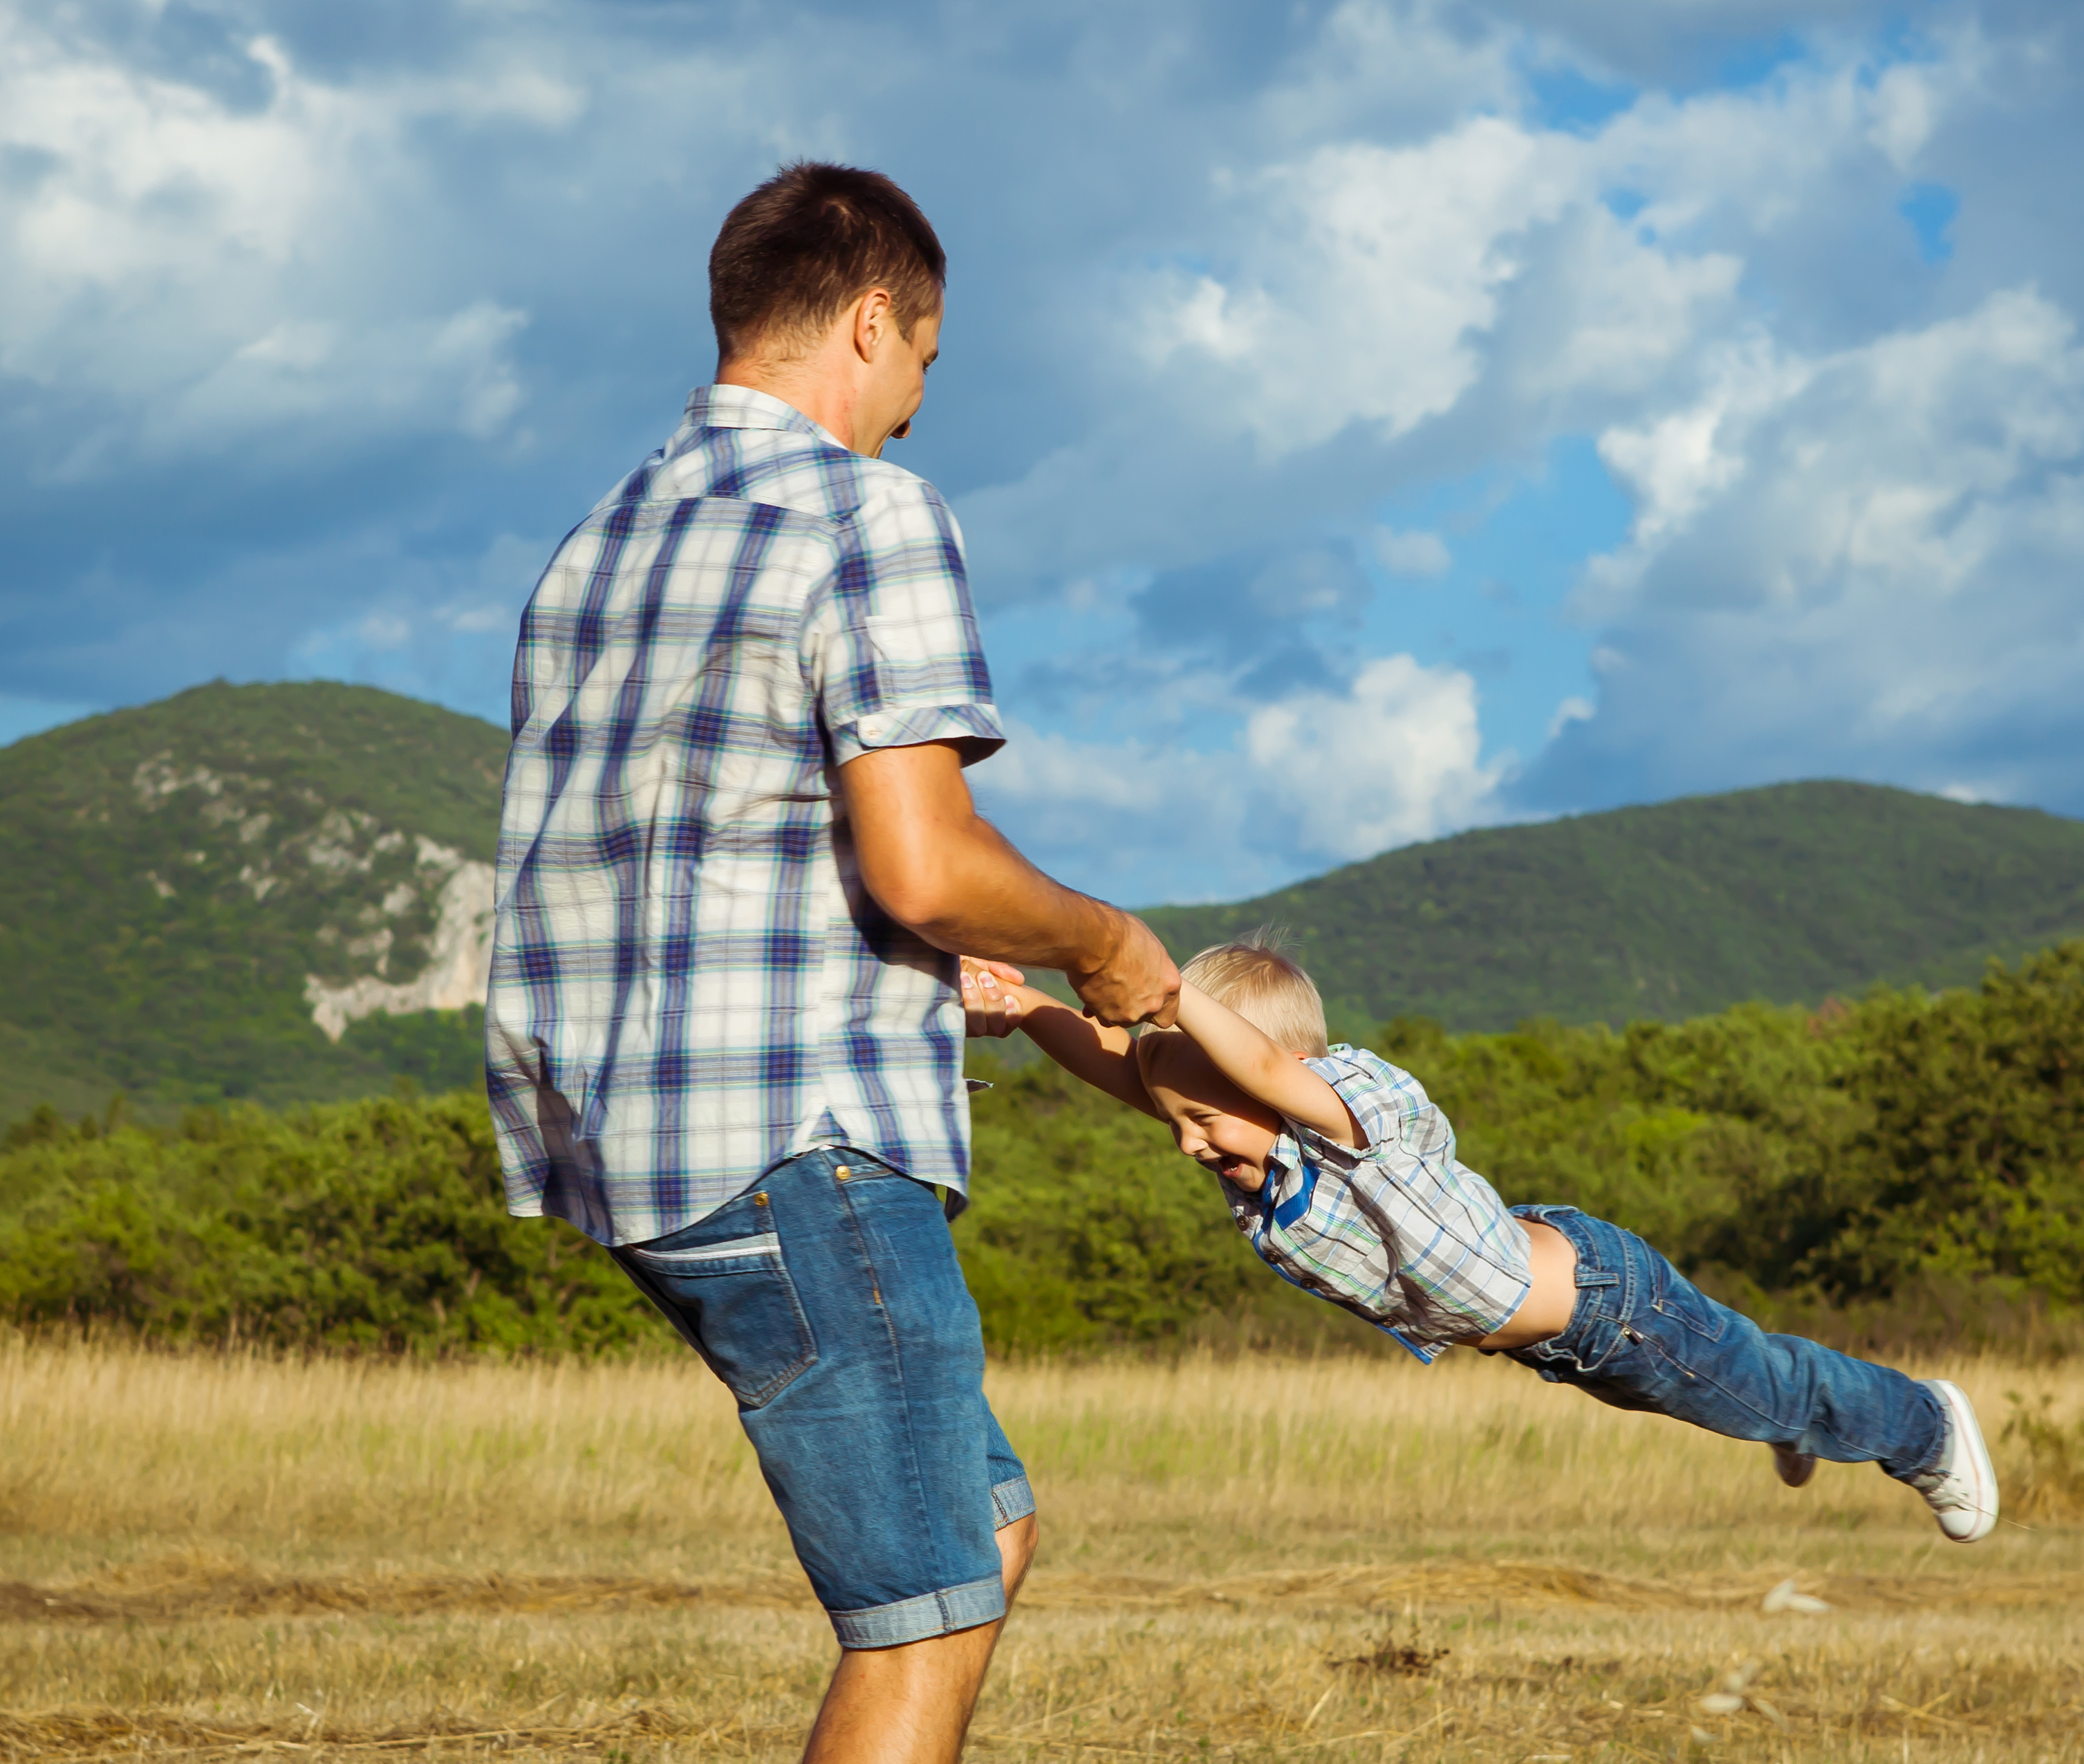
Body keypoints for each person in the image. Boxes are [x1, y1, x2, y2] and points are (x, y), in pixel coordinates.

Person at [485, 162, 1180, 1764]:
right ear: (873, 322)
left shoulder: (595, 546)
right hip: (802, 1142)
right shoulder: (868, 513)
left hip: (630, 1151)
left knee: (983, 1531)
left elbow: (699, 851)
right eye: (924, 360)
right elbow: (924, 866)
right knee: (922, 1616)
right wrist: (1105, 944)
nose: (918, 407)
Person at [963, 938, 1999, 1541]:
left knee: (1762, 1386)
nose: (1187, 1144)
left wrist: (1164, 987)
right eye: (1176, 1123)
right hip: (1560, 1343)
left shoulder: (1346, 1110)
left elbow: (1268, 1075)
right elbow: (1121, 1070)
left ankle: (1925, 1426)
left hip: (1608, 1308)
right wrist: (1020, 1006)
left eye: (1202, 1119)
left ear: (1260, 1073)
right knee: (1746, 1388)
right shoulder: (1252, 1142)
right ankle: (1795, 1415)